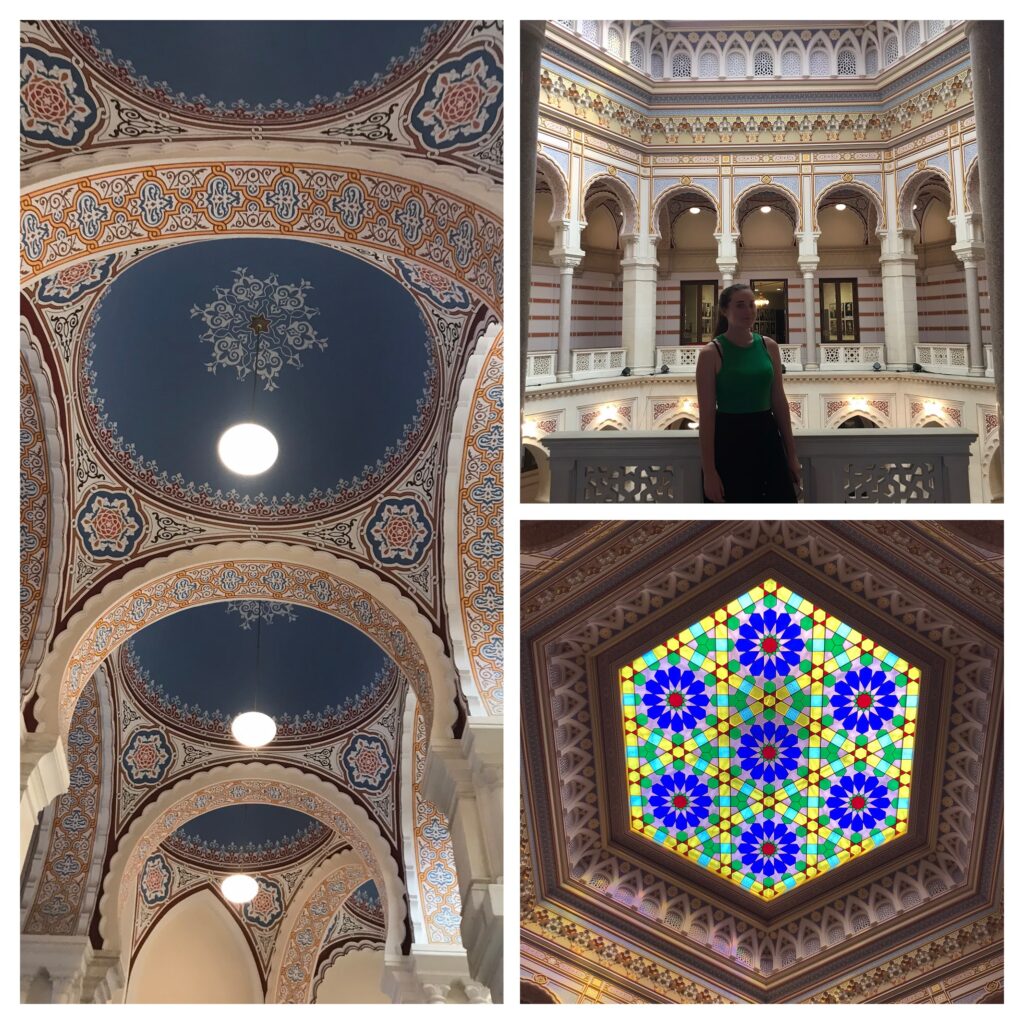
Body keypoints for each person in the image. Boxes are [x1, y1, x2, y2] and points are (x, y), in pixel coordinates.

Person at [696, 283, 800, 502]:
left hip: (767, 437)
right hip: (730, 441)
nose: (748, 311)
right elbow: (706, 416)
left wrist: (791, 455)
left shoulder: (768, 346)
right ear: (725, 311)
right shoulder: (711, 353)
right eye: (740, 305)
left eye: (751, 305)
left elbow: (779, 401)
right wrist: (709, 472)